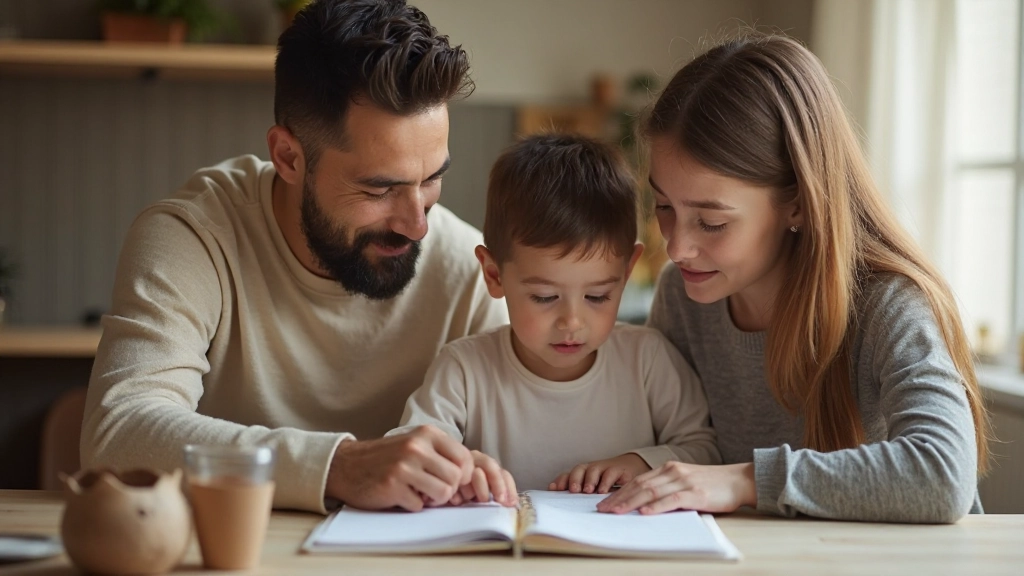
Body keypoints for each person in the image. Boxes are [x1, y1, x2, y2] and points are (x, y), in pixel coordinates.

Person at [80, 0, 512, 514]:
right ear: (288, 157)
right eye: (379, 189)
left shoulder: (466, 266)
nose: (417, 223)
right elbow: (118, 432)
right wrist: (339, 466)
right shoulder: (194, 237)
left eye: (432, 178)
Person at [595, 34, 991, 524]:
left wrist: (743, 481)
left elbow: (943, 475)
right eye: (664, 207)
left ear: (798, 203)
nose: (676, 248)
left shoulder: (889, 303)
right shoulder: (683, 295)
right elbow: (686, 444)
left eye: (712, 222)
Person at [387, 134, 720, 504]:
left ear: (626, 272)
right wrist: (458, 464)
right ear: (494, 275)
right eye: (545, 297)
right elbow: (407, 450)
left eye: (598, 296)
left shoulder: (648, 361)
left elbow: (706, 451)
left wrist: (642, 462)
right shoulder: (463, 369)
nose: (572, 322)